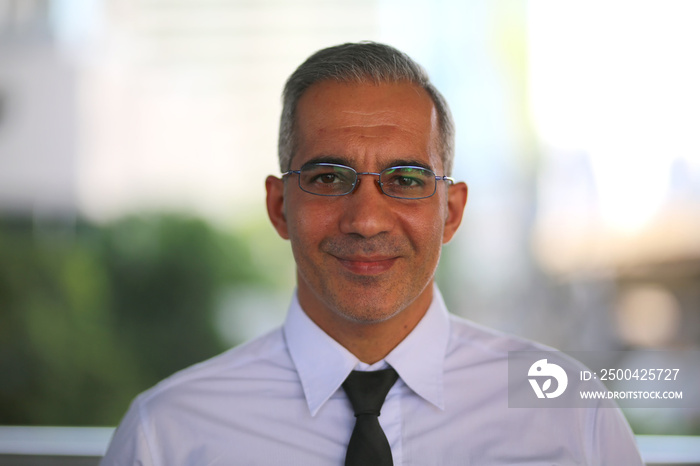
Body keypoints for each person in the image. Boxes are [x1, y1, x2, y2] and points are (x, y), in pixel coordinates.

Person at [101, 42, 643, 465]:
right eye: (327, 177)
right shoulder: (167, 433)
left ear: (450, 211)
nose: (365, 220)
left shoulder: (569, 412)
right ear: (279, 206)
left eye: (405, 179)